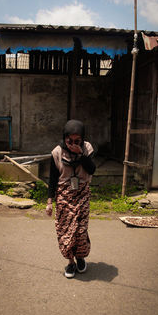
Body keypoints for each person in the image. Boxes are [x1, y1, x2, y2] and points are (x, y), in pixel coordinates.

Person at [46, 119, 96, 278]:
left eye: (77, 141)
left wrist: (81, 154)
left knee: (80, 231)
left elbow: (92, 169)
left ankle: (80, 257)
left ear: (82, 139)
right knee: (65, 231)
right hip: (64, 196)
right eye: (69, 141)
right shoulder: (56, 153)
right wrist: (49, 202)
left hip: (82, 193)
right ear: (64, 138)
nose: (73, 144)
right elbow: (53, 179)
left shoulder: (87, 148)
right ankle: (70, 262)